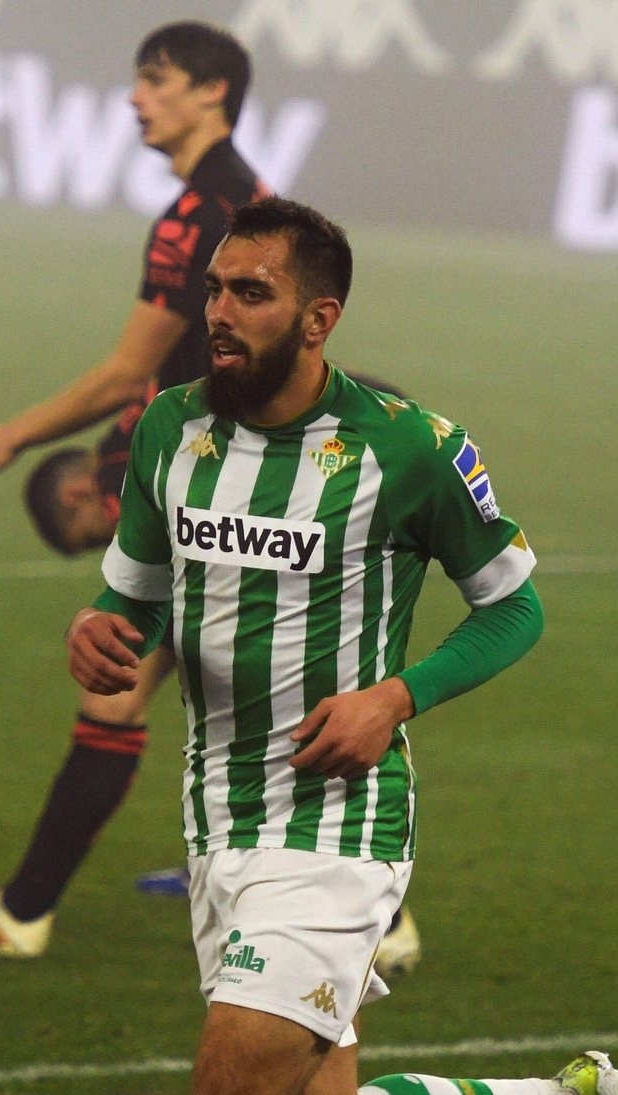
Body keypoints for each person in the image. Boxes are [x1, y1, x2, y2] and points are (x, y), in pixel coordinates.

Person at [0, 20, 417, 976]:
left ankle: (26, 914)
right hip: (254, 477)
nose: (137, 97)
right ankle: (363, 909)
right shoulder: (251, 201)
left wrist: (12, 434)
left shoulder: (198, 219)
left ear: (211, 92)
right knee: (213, 690)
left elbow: (126, 371)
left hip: (223, 487)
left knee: (141, 688)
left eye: (157, 79)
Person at [65, 196, 573, 1095]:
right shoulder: (169, 430)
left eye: (251, 293)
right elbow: (135, 596)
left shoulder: (409, 447)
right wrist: (104, 629)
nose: (220, 312)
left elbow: (513, 607)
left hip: (338, 822)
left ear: (318, 319)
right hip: (216, 813)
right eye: (215, 289)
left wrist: (395, 697)